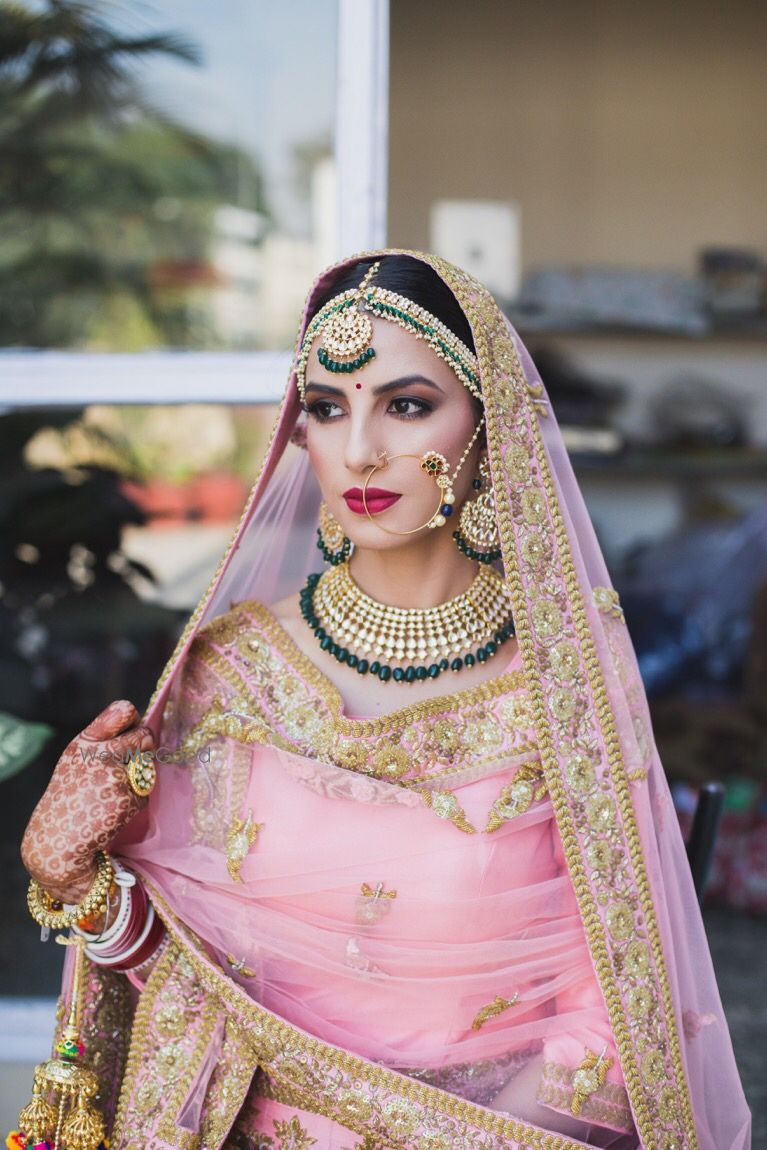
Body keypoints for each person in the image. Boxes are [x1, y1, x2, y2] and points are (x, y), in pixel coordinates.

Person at [17, 251, 751, 1150]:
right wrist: (80, 885)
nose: (359, 449)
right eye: (327, 408)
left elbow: (618, 1019)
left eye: (406, 405)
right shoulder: (236, 670)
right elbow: (176, 984)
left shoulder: (564, 680)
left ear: (489, 426)